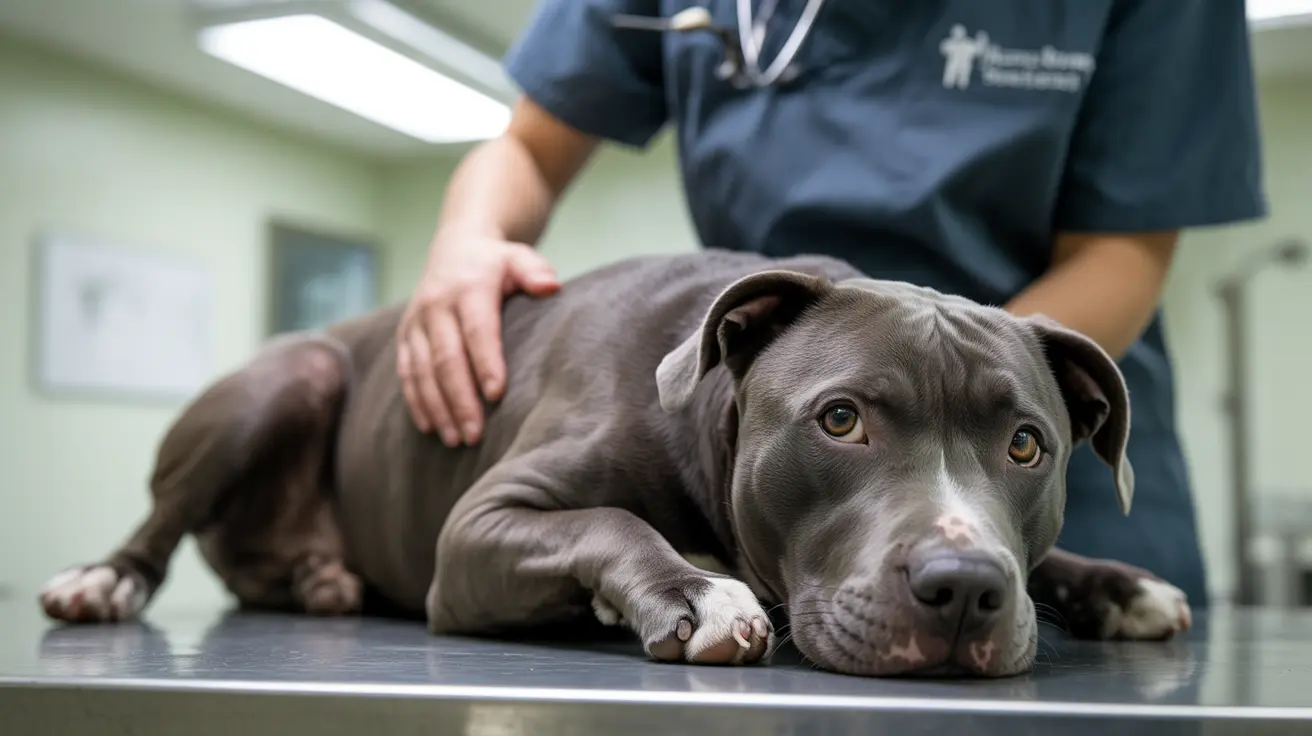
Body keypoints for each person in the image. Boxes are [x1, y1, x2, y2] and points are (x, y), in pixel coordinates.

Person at [395, 0, 1266, 606]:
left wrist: (991, 396)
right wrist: (467, 239)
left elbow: (1121, 251)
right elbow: (527, 148)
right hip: (785, 448)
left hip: (1022, 428)